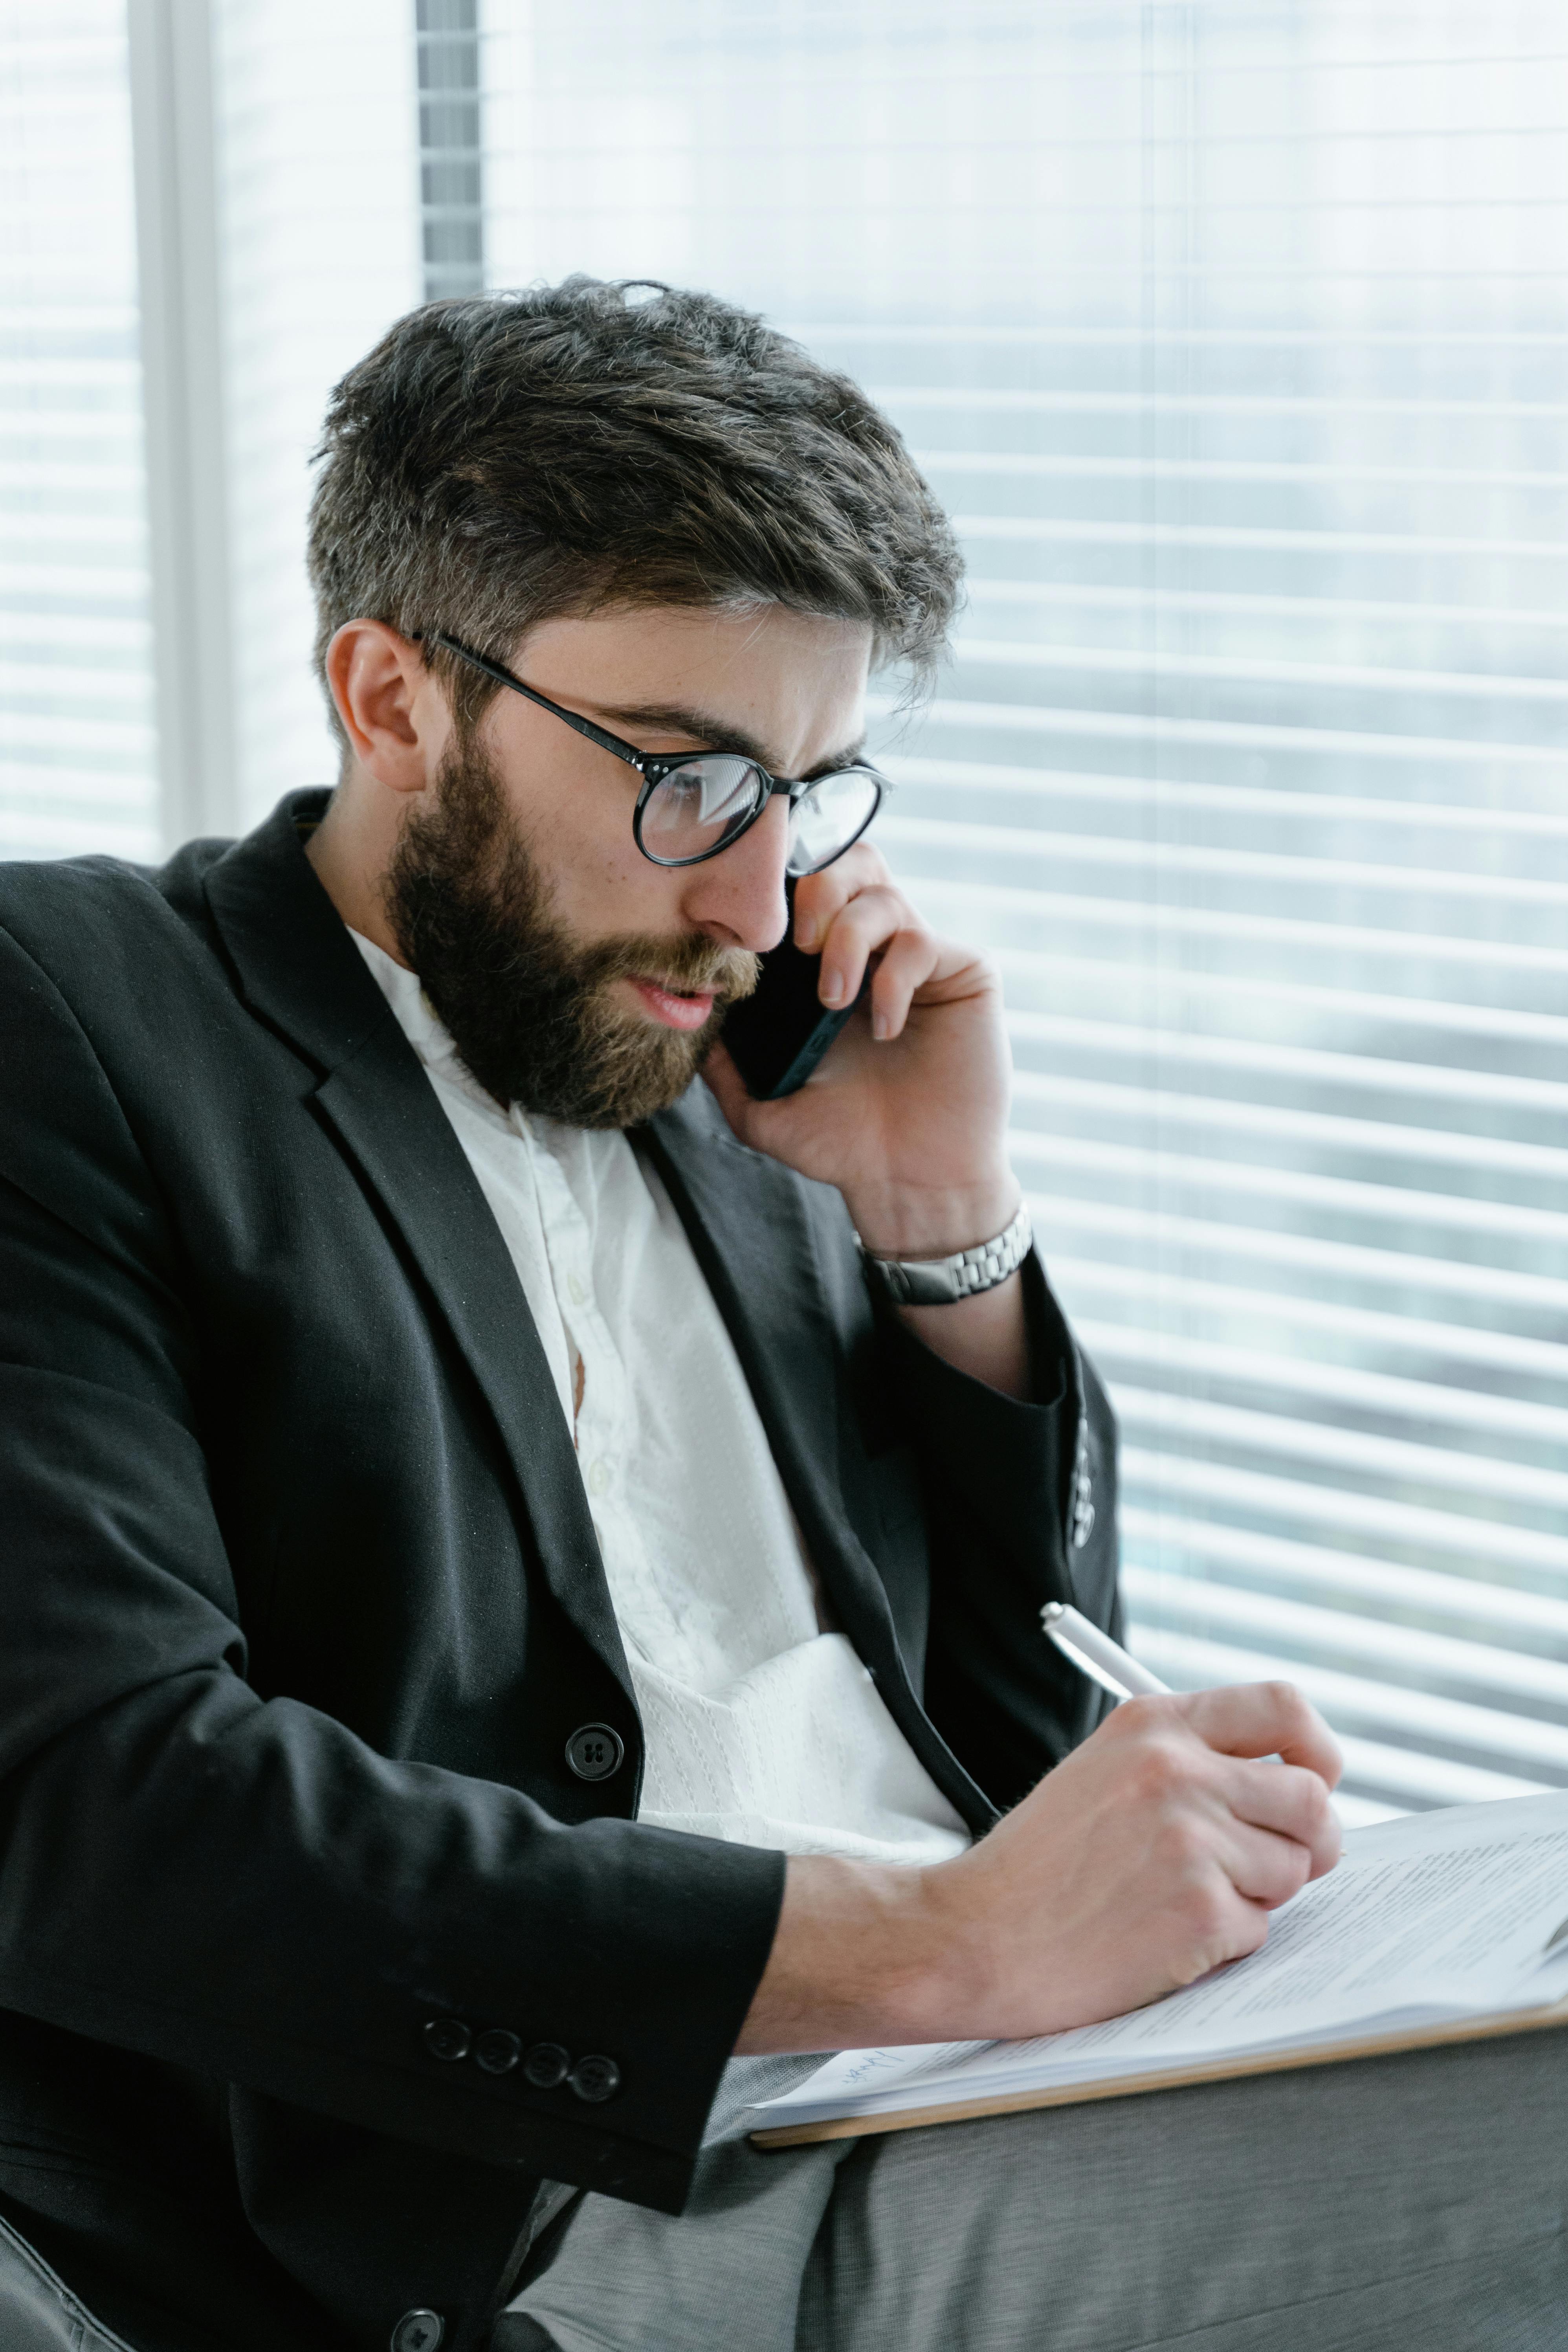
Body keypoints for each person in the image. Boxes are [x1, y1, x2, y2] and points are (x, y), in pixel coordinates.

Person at [0, 279, 1559, 2352]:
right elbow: (100, 1804)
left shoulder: (723, 1046)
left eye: (805, 788)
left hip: (990, 2072)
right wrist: (940, 1944)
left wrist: (946, 1240)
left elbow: (1006, 1726)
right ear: (391, 697)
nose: (754, 902)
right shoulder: (84, 1018)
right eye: (684, 774)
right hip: (609, 2178)